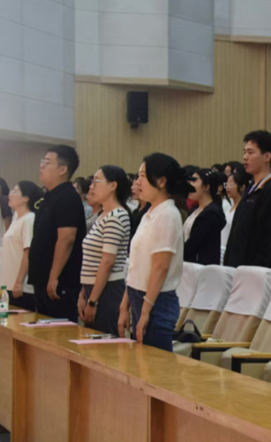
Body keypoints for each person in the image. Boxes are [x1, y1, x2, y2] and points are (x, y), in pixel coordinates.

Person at [119, 153, 192, 350]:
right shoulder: (150, 213)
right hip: (140, 298)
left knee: (154, 364)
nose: (137, 182)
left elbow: (160, 267)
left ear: (161, 181)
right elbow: (136, 266)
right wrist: (125, 305)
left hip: (156, 303)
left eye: (143, 176)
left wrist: (145, 312)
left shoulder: (168, 214)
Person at [29, 145, 87, 321]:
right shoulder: (49, 196)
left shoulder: (68, 197)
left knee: (58, 332)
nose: (41, 166)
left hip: (59, 283)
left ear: (62, 169)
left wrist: (54, 277)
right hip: (43, 280)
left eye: (47, 162)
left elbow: (66, 239)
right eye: (42, 161)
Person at [79, 166, 132, 336]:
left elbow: (107, 262)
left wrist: (92, 302)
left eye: (96, 181)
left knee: (105, 345)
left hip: (107, 290)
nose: (91, 187)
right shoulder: (102, 215)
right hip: (94, 289)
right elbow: (91, 260)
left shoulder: (116, 216)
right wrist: (83, 294)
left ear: (112, 186)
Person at [223, 130, 271, 268]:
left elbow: (267, 238)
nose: (245, 157)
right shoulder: (250, 190)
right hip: (236, 268)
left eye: (250, 152)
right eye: (244, 152)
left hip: (254, 271)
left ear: (267, 156)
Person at [1, 181, 41, 311]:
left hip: (21, 287)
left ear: (25, 198)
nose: (10, 194)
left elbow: (28, 252)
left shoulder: (29, 219)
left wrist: (19, 282)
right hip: (8, 284)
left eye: (15, 191)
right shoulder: (16, 219)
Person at [183, 169, 227, 265]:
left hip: (201, 266)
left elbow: (194, 243)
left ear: (206, 186)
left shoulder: (211, 213)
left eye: (194, 181)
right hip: (189, 264)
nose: (189, 185)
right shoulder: (195, 209)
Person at [222, 169, 246, 262]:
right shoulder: (229, 208)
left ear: (242, 187)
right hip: (223, 249)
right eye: (227, 184)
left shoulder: (243, 208)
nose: (228, 187)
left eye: (231, 184)